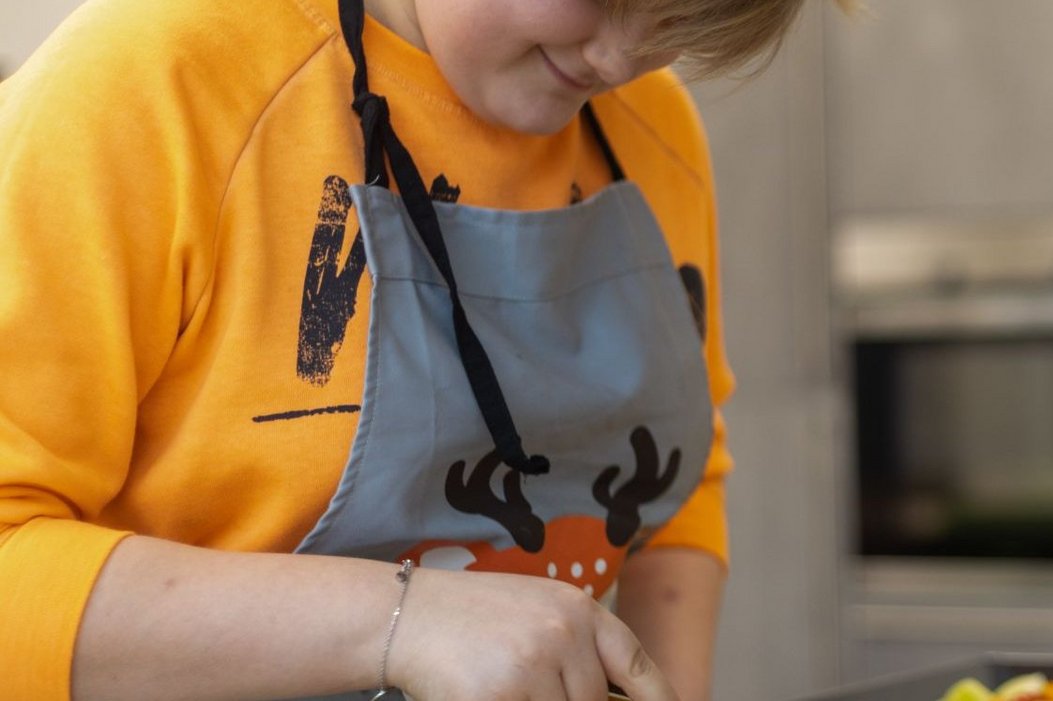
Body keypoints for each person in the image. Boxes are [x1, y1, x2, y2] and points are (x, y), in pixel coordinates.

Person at [0, 0, 824, 698]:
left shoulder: (652, 127)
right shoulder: (150, 85)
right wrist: (403, 618)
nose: (618, 59)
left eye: (678, 16)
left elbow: (679, 488)